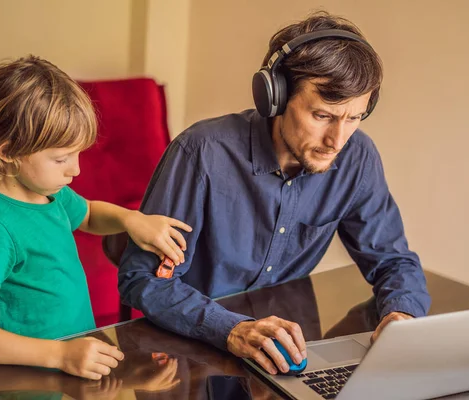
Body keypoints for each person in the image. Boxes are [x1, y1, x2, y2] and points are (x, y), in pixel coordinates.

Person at [119, 11, 431, 376]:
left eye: (354, 118)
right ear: (276, 97)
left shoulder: (357, 157)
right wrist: (230, 328)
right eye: (322, 116)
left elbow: (393, 259)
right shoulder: (201, 153)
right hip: (192, 358)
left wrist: (401, 315)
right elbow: (143, 279)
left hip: (287, 353)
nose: (337, 141)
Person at [0, 55, 192, 380]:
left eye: (78, 154)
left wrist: (131, 219)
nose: (76, 169)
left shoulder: (48, 193)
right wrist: (58, 355)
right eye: (61, 158)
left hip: (73, 364)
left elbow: (91, 214)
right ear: (8, 152)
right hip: (30, 380)